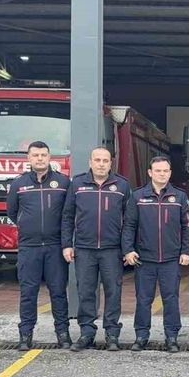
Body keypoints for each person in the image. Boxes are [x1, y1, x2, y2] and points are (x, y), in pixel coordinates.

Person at [61, 146, 131, 352]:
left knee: (113, 291)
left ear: (111, 163)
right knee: (85, 291)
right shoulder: (77, 184)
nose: (101, 164)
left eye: (105, 160)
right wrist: (67, 244)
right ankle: (86, 332)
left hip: (112, 249)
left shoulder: (122, 185)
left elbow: (130, 220)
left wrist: (127, 248)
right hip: (84, 248)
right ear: (90, 162)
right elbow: (67, 216)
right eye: (97, 160)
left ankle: (112, 333)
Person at [122, 156, 189, 353]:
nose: (162, 174)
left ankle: (171, 337)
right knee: (144, 300)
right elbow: (129, 225)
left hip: (170, 259)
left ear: (170, 173)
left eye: (165, 171)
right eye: (158, 171)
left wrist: (186, 251)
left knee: (171, 298)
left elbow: (187, 226)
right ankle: (141, 336)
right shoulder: (137, 196)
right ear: (150, 173)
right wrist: (128, 250)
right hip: (144, 259)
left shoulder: (180, 197)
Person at [7, 141, 71, 351]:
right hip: (29, 247)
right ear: (29, 158)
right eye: (35, 155)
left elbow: (68, 214)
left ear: (49, 157)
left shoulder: (63, 182)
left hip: (55, 247)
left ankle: (63, 333)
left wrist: (66, 243)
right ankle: (25, 335)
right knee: (28, 293)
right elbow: (12, 212)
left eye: (43, 155)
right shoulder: (18, 184)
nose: (40, 159)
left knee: (58, 292)